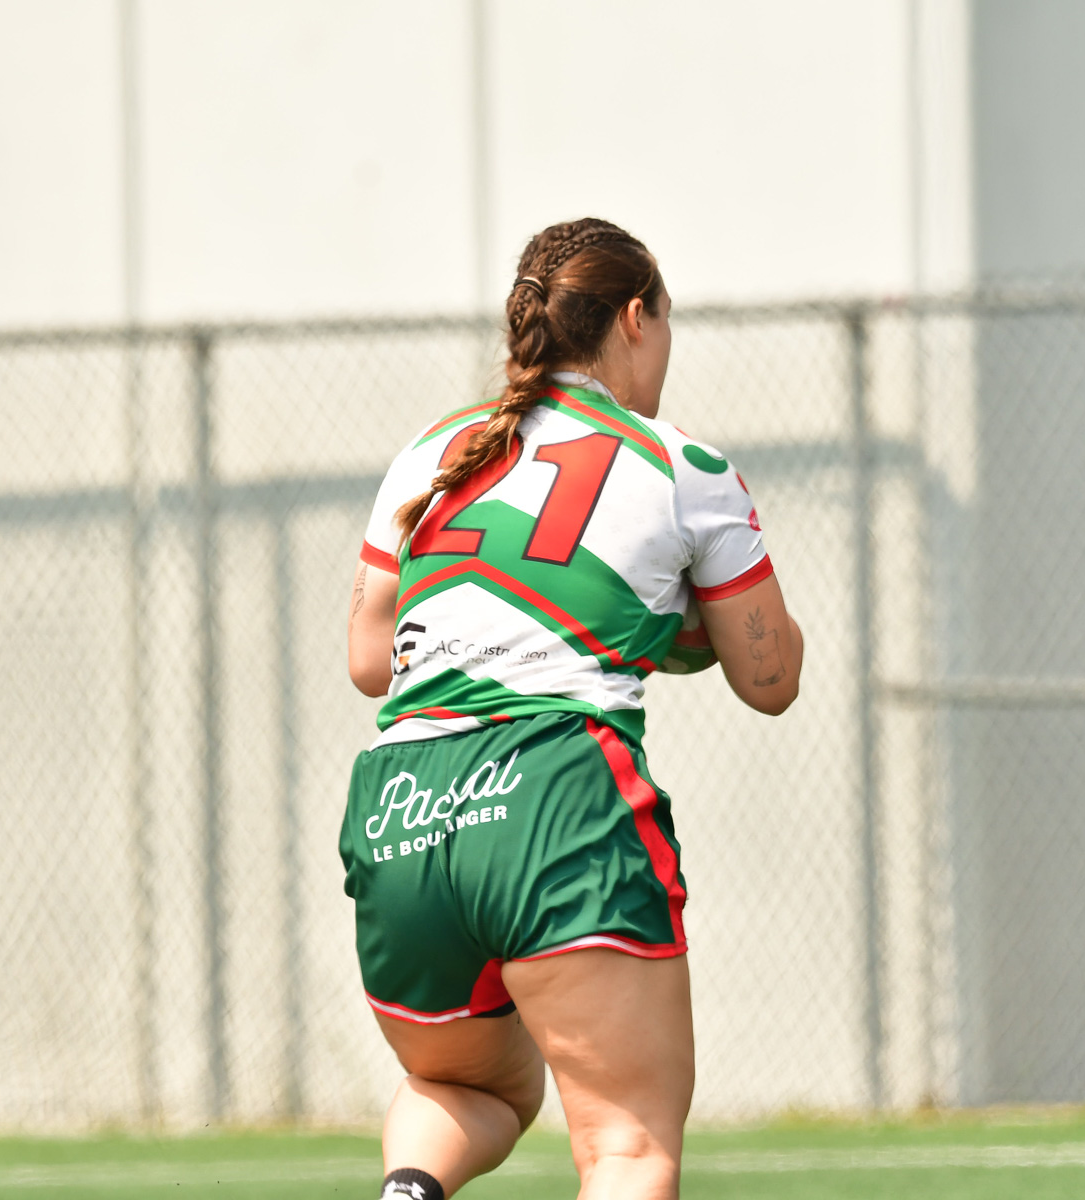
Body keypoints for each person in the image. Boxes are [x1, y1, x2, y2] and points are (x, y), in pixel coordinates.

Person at [342, 217, 803, 1200]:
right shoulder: (682, 467)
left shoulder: (432, 450)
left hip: (403, 806)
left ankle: (409, 1189)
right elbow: (770, 680)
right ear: (636, 318)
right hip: (555, 793)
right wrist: (672, 622)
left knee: (467, 1088)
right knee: (626, 1145)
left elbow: (370, 661)